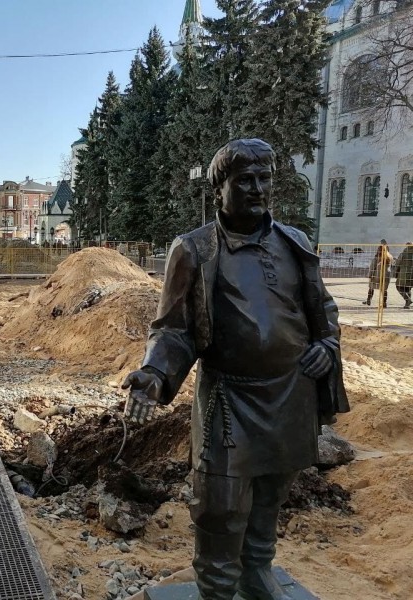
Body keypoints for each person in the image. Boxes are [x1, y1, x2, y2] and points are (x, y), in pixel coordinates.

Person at [122, 139, 349, 600]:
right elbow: (173, 329)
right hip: (230, 400)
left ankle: (257, 570)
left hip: (290, 392)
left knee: (271, 490)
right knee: (220, 505)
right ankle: (218, 585)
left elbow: (322, 308)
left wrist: (327, 344)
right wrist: (153, 374)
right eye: (245, 180)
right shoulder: (194, 249)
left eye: (264, 179)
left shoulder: (294, 242)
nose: (257, 189)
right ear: (219, 189)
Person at [363, 240, 393, 308]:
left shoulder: (376, 258)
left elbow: (372, 267)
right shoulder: (390, 257)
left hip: (377, 276)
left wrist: (369, 275)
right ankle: (384, 303)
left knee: (371, 287)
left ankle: (368, 300)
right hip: (386, 276)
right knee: (384, 290)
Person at [394, 242, 413, 309]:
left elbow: (397, 264)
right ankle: (407, 305)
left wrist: (395, 273)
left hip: (403, 273)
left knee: (398, 287)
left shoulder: (403, 254)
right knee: (408, 288)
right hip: (412, 274)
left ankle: (408, 300)